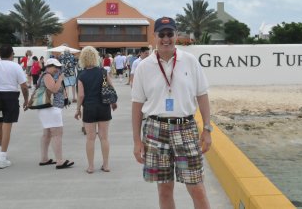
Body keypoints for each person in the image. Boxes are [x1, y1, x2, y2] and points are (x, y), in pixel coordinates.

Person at [131, 17, 213, 209]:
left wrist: (207, 129)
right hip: (155, 130)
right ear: (155, 36)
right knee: (164, 189)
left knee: (197, 188)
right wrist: (136, 141)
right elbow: (136, 107)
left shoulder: (190, 61)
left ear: (176, 35)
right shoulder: (144, 66)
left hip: (186, 128)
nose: (166, 39)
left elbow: (202, 95)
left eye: (170, 34)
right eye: (162, 34)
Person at [0, 45, 29, 169]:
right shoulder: (16, 66)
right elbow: (24, 86)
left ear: (0, 54)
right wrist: (26, 100)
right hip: (11, 97)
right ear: (12, 54)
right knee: (7, 126)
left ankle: (0, 153)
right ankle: (2, 157)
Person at [74, 46, 117, 174]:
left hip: (89, 108)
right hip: (104, 107)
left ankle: (91, 166)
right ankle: (106, 165)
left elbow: (81, 95)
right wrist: (113, 102)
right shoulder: (103, 72)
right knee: (104, 137)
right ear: (96, 57)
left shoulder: (81, 75)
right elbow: (111, 87)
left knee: (90, 138)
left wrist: (78, 109)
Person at [35, 58, 74, 169]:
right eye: (55, 67)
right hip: (51, 108)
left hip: (47, 109)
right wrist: (60, 79)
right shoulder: (47, 76)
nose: (57, 69)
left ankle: (44, 158)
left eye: (58, 67)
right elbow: (54, 89)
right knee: (57, 134)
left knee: (47, 133)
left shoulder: (45, 75)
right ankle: (59, 161)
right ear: (48, 66)